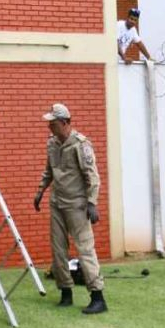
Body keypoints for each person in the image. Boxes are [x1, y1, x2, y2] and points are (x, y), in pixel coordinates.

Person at [33, 103, 108, 314]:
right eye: (49, 123)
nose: (50, 127)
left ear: (65, 122)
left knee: (85, 249)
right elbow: (49, 171)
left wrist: (92, 203)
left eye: (53, 123)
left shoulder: (80, 145)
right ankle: (65, 291)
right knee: (58, 249)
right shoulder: (52, 143)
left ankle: (97, 296)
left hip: (77, 204)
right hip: (57, 202)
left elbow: (92, 176)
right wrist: (40, 191)